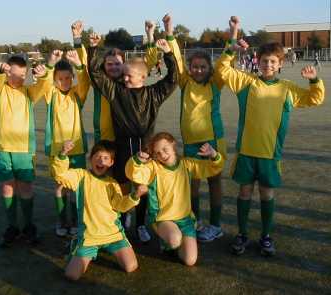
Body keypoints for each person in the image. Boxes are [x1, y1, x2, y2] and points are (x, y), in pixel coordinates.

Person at [216, 16, 325, 256]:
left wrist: (315, 80)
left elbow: (314, 98)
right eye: (264, 61)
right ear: (257, 61)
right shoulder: (246, 82)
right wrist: (230, 46)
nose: (268, 65)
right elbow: (223, 70)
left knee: (266, 194)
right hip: (246, 151)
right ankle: (242, 234)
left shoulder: (287, 89)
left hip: (270, 154)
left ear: (280, 64)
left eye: (273, 61)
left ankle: (266, 236)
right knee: (244, 193)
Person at [87, 31, 178, 243]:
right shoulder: (116, 91)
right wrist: (94, 48)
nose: (124, 78)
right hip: (123, 148)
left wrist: (169, 55)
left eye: (129, 75)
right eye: (124, 75)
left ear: (142, 77)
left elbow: (173, 79)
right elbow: (95, 72)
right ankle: (122, 217)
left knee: (142, 187)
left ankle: (140, 225)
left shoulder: (153, 93)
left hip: (145, 150)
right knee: (121, 185)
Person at [72, 20, 158, 241]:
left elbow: (148, 62)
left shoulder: (128, 84)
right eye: (109, 64)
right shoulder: (99, 81)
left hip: (127, 140)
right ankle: (114, 218)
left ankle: (137, 222)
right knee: (114, 183)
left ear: (124, 66)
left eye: (117, 64)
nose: (113, 67)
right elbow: (87, 65)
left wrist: (150, 35)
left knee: (138, 181)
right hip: (106, 139)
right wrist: (80, 40)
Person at [162, 14, 226, 242]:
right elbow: (177, 59)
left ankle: (216, 225)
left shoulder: (215, 83)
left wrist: (233, 38)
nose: (198, 70)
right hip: (190, 142)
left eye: (203, 67)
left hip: (212, 141)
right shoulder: (185, 81)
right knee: (193, 184)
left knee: (214, 181)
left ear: (209, 68)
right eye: (195, 67)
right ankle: (195, 221)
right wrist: (169, 31)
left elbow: (225, 64)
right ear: (189, 69)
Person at [51, 140, 148, 280]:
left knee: (131, 266)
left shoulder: (112, 183)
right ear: (90, 159)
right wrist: (63, 154)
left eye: (105, 158)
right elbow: (59, 175)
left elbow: (120, 206)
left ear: (111, 163)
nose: (101, 161)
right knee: (71, 275)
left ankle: (106, 248)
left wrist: (135, 195)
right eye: (97, 157)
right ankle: (77, 244)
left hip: (113, 235)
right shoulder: (80, 176)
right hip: (89, 237)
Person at [125, 132, 224, 265]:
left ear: (173, 145)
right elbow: (133, 173)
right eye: (158, 153)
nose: (163, 155)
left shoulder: (187, 164)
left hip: (185, 219)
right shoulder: (153, 168)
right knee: (174, 239)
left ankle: (175, 246)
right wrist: (137, 160)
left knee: (190, 260)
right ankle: (168, 242)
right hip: (164, 218)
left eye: (165, 149)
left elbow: (213, 168)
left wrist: (214, 155)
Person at [0, 55, 50, 247]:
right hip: (2, 148)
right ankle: (12, 226)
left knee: (25, 187)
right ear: (8, 73)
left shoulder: (28, 92)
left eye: (24, 74)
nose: (21, 78)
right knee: (8, 187)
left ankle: (28, 226)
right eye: (17, 74)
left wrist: (44, 75)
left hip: (24, 149)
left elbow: (43, 87)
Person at [44, 48, 90, 237]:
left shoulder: (77, 94)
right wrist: (51, 62)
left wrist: (78, 64)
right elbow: (44, 83)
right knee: (61, 186)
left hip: (77, 148)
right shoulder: (51, 94)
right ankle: (63, 220)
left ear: (72, 77)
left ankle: (77, 221)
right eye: (60, 79)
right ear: (55, 79)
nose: (64, 82)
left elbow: (85, 80)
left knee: (77, 186)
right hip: (57, 149)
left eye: (68, 78)